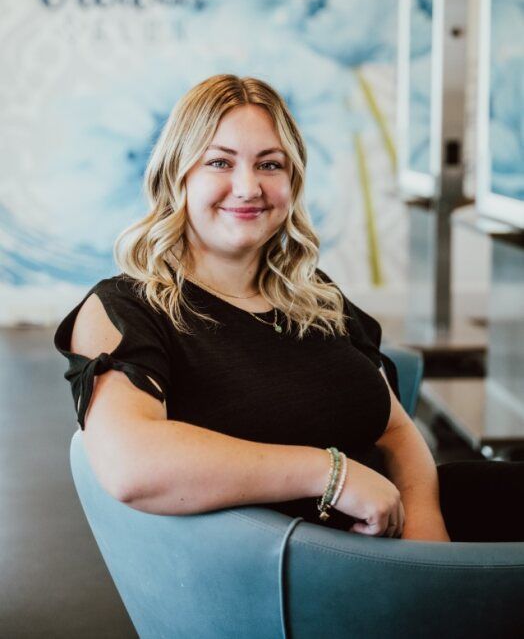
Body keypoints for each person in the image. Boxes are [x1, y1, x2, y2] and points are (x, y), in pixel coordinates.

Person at [54, 74, 524, 543]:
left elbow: (397, 430)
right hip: (309, 568)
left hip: (402, 548)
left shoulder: (315, 294)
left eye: (269, 165)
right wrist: (329, 474)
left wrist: (425, 529)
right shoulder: (126, 306)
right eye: (220, 162)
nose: (248, 187)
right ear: (177, 175)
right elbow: (131, 464)